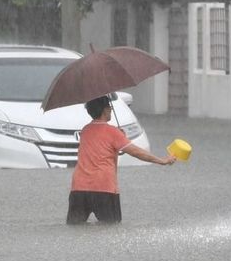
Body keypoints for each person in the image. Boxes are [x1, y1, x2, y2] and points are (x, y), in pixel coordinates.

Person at [67, 96, 176, 225]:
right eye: (110, 108)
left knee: (75, 228)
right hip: (104, 188)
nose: (111, 111)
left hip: (79, 188)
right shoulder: (113, 132)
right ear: (105, 110)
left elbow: (100, 147)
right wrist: (162, 160)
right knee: (111, 231)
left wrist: (118, 137)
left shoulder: (85, 131)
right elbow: (136, 152)